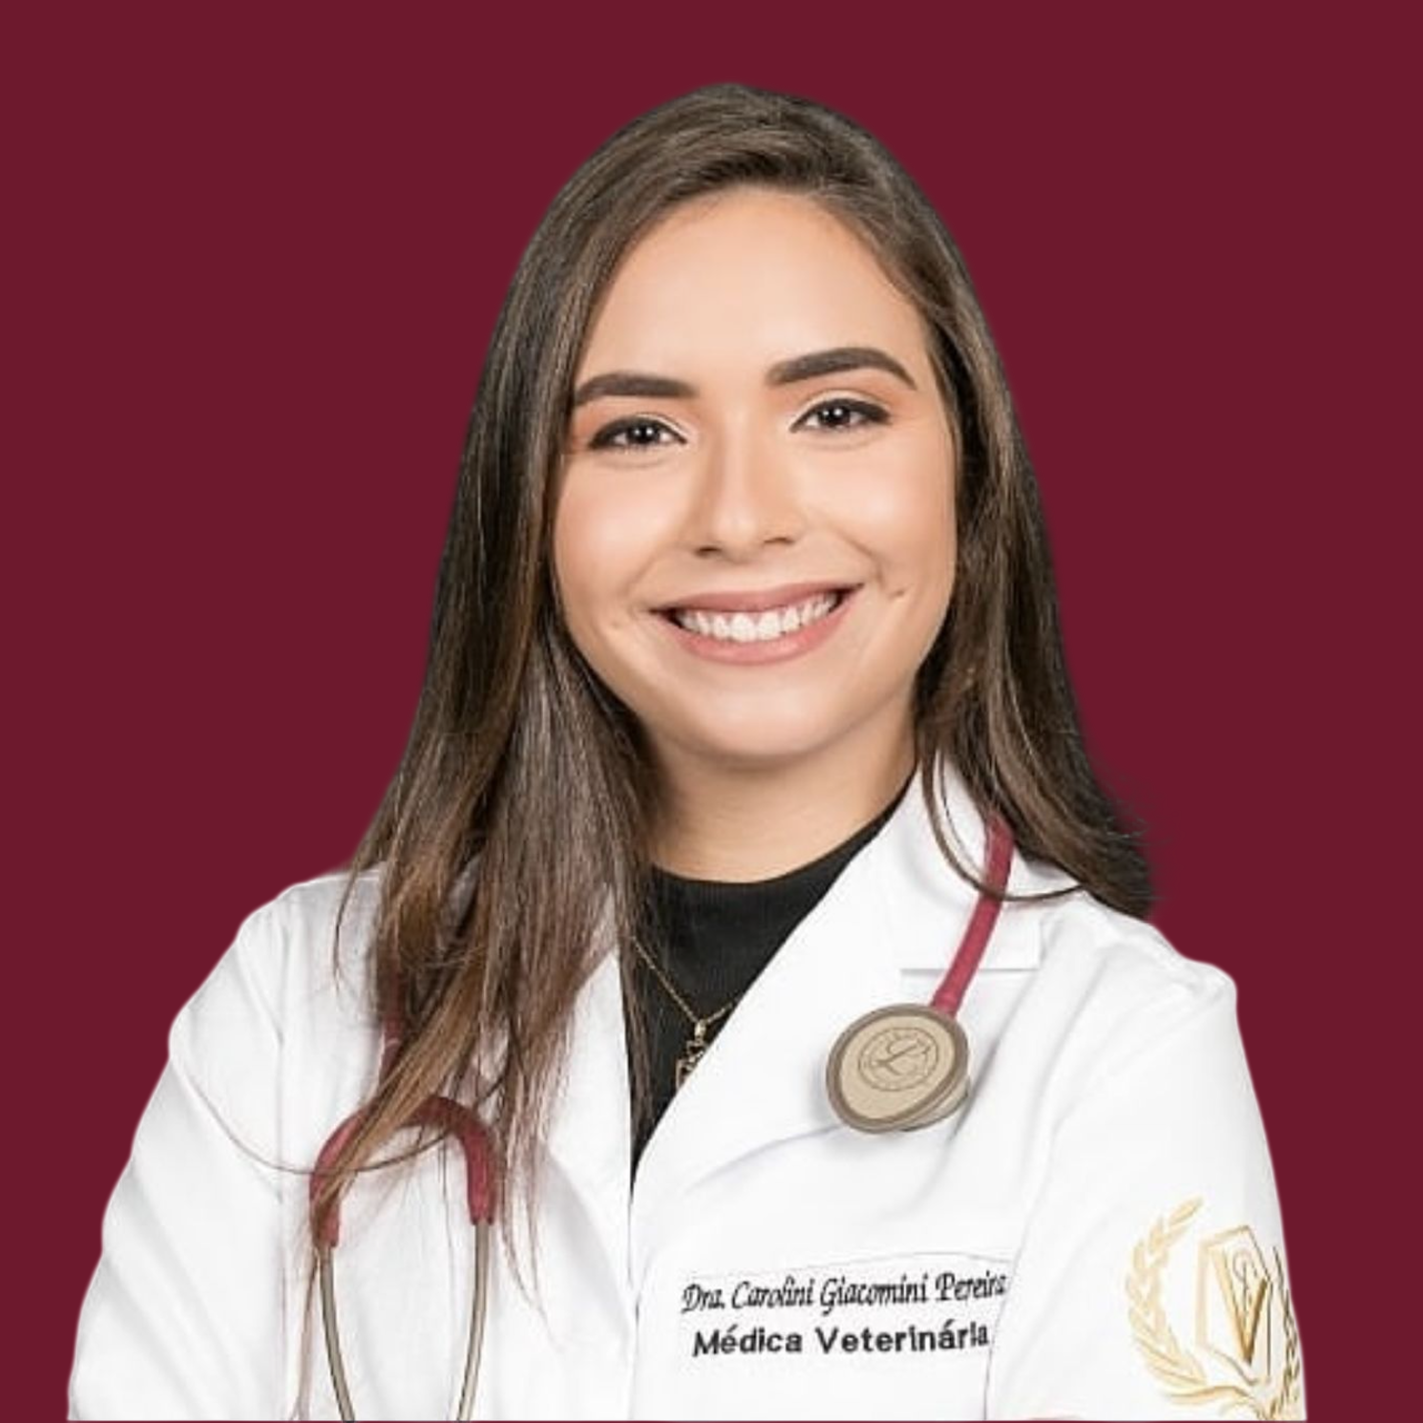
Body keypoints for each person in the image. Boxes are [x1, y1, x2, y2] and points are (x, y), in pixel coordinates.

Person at [69, 83, 1304, 1420]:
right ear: (530, 511)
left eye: (834, 412)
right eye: (637, 431)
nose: (738, 515)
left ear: (968, 469)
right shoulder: (292, 1008)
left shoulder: (1113, 1045)